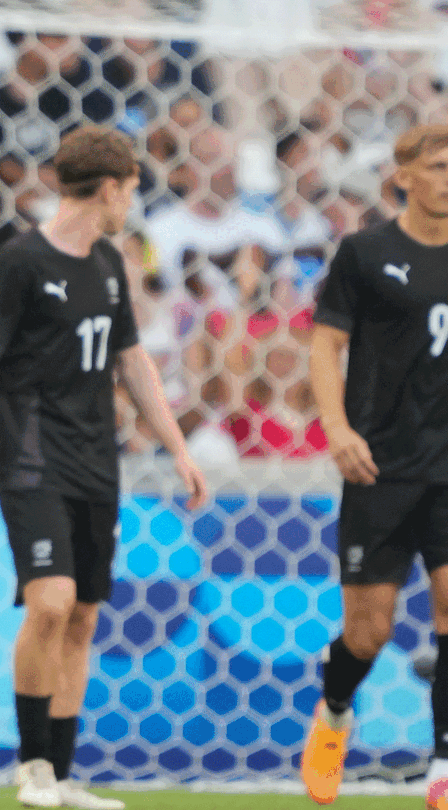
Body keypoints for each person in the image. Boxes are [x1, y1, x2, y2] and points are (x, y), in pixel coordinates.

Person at [0, 125, 207, 809]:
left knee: (81, 616)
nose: (130, 202)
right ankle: (30, 768)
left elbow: (130, 359)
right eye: (132, 188)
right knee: (48, 601)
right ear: (111, 187)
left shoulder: (108, 263)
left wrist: (176, 445)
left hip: (96, 460)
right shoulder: (15, 266)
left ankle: (61, 772)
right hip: (31, 455)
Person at [300, 123, 448, 807]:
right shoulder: (365, 253)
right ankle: (334, 711)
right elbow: (326, 345)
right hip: (379, 465)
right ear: (404, 175)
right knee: (370, 631)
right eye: (440, 165)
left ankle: (441, 767)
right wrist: (336, 428)